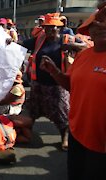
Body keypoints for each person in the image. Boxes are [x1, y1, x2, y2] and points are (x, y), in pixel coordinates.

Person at [40, 4, 106, 179]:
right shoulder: (83, 55)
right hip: (77, 134)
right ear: (89, 31)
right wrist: (54, 71)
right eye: (96, 24)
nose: (101, 27)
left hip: (101, 144)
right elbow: (70, 85)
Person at [21, 13, 85, 151]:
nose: (49, 30)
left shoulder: (66, 39)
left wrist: (71, 46)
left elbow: (87, 47)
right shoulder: (40, 39)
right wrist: (9, 40)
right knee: (32, 111)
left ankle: (65, 137)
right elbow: (22, 44)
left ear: (59, 28)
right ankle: (25, 134)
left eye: (52, 28)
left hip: (57, 85)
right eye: (46, 28)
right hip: (38, 84)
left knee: (62, 113)